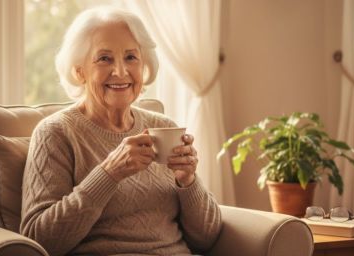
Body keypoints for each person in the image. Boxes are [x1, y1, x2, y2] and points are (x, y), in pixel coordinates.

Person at [20, 7, 222, 256]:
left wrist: (188, 180)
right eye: (104, 58)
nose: (120, 71)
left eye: (131, 57)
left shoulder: (164, 128)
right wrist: (109, 173)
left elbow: (207, 238)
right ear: (79, 71)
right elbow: (38, 241)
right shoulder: (55, 133)